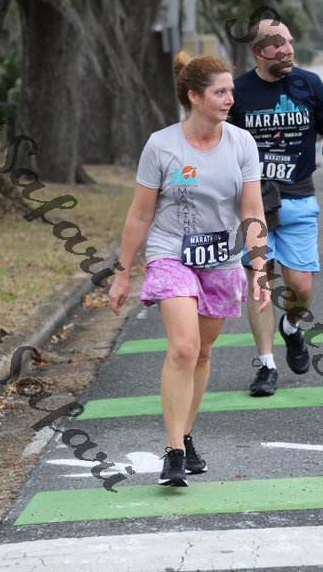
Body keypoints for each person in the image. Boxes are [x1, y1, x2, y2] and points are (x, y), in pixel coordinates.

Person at [108, 51, 270, 487]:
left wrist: (259, 266)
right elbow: (140, 213)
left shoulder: (242, 143)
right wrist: (122, 272)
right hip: (170, 253)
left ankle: (186, 433)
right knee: (183, 346)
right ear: (194, 96)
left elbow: (252, 209)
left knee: (202, 352)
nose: (230, 99)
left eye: (231, 91)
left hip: (221, 258)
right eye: (220, 92)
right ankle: (174, 451)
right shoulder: (162, 145)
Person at [229, 19, 323, 397]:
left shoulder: (309, 84)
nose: (289, 50)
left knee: (301, 287)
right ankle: (267, 366)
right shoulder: (239, 91)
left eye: (290, 42)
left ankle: (291, 327)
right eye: (279, 45)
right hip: (253, 201)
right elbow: (220, 144)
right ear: (259, 51)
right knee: (260, 282)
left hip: (298, 196)